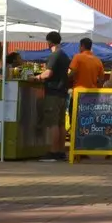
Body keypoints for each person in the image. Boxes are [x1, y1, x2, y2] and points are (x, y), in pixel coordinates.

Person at [39, 31, 71, 162]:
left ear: (49, 42)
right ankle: (61, 151)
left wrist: (38, 77)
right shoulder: (65, 55)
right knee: (61, 123)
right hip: (62, 92)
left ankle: (53, 151)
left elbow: (48, 73)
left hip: (53, 91)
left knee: (52, 123)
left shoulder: (54, 55)